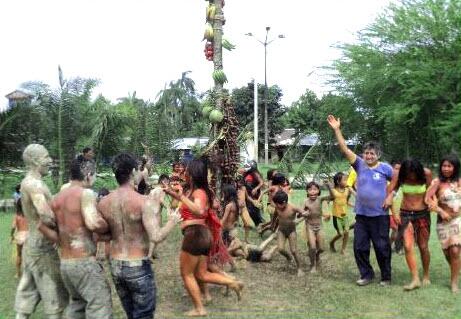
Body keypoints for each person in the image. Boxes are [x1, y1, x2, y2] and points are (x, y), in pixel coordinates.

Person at [98, 153, 181, 319]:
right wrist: (172, 222)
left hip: (115, 265)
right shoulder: (143, 201)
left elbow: (103, 234)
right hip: (137, 265)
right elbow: (156, 236)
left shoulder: (104, 202)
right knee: (143, 315)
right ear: (133, 171)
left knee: (131, 313)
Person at [164, 159, 243, 317]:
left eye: (187, 170)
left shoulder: (199, 192)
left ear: (193, 174)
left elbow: (199, 211)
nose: (184, 172)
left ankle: (200, 308)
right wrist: (173, 193)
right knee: (202, 274)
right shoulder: (198, 190)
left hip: (195, 235)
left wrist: (181, 198)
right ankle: (233, 283)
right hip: (201, 235)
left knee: (187, 274)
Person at [38, 157, 113, 318]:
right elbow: (93, 223)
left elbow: (41, 224)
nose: (95, 178)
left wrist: (59, 240)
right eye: (94, 174)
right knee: (99, 307)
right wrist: (108, 226)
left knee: (77, 305)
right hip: (84, 263)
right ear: (87, 174)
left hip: (66, 263)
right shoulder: (85, 194)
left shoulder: (57, 197)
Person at [327, 115, 394, 287]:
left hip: (380, 216)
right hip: (362, 216)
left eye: (372, 153)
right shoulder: (359, 164)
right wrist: (337, 129)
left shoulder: (386, 168)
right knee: (360, 247)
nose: (369, 155)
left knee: (382, 248)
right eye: (366, 153)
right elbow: (344, 148)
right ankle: (366, 274)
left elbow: (396, 183)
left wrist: (390, 196)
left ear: (378, 154)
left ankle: (386, 276)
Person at [14, 144, 68, 319]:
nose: (50, 161)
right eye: (46, 157)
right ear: (35, 160)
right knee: (54, 299)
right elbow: (45, 214)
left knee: (27, 294)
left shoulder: (27, 182)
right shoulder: (35, 184)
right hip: (43, 246)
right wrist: (63, 227)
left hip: (32, 244)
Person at [387, 158, 432, 291]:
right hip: (405, 215)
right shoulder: (400, 175)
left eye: (413, 173)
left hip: (422, 214)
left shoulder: (426, 174)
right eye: (408, 173)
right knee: (407, 246)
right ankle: (415, 279)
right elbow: (389, 191)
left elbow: (431, 192)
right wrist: (394, 213)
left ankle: (426, 275)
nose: (411, 176)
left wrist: (432, 202)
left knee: (423, 247)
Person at [425, 154, 461, 293]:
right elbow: (427, 199)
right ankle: (456, 269)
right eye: (444, 166)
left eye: (449, 166)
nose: (446, 168)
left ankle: (454, 283)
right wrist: (440, 211)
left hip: (458, 220)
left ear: (455, 167)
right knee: (448, 254)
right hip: (443, 223)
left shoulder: (459, 181)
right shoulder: (437, 182)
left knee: (455, 250)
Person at [272, 190, 307, 277]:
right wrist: (273, 225)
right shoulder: (277, 207)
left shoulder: (293, 208)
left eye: (278, 204)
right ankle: (288, 257)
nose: (276, 206)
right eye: (275, 204)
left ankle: (299, 268)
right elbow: (275, 216)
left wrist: (298, 220)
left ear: (284, 202)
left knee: (294, 251)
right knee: (280, 249)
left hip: (291, 231)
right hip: (281, 231)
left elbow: (305, 214)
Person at [303, 181, 330, 272]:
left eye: (315, 189)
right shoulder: (305, 202)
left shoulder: (320, 199)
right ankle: (312, 265)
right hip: (309, 226)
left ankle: (316, 255)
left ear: (318, 191)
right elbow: (300, 214)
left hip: (319, 226)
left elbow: (332, 197)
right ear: (307, 191)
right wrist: (304, 214)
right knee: (313, 247)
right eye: (310, 189)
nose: (312, 191)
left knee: (321, 248)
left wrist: (329, 186)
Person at [325, 172, 353, 255]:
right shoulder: (333, 191)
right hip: (336, 216)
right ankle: (331, 243)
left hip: (345, 216)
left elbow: (346, 201)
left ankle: (343, 249)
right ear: (338, 181)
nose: (346, 182)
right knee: (340, 234)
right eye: (344, 180)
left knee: (347, 232)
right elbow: (329, 199)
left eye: (347, 180)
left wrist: (353, 205)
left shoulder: (348, 190)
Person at [243, 160, 265, 226]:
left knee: (256, 210)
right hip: (248, 194)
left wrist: (256, 188)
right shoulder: (246, 173)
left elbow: (261, 182)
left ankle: (261, 224)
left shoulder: (255, 173)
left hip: (255, 195)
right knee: (250, 210)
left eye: (248, 166)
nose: (246, 167)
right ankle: (258, 224)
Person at [10, 198, 28, 278]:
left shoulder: (17, 216)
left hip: (20, 236)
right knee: (30, 255)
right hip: (29, 236)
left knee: (19, 255)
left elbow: (13, 227)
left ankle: (18, 273)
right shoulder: (30, 215)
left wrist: (11, 236)